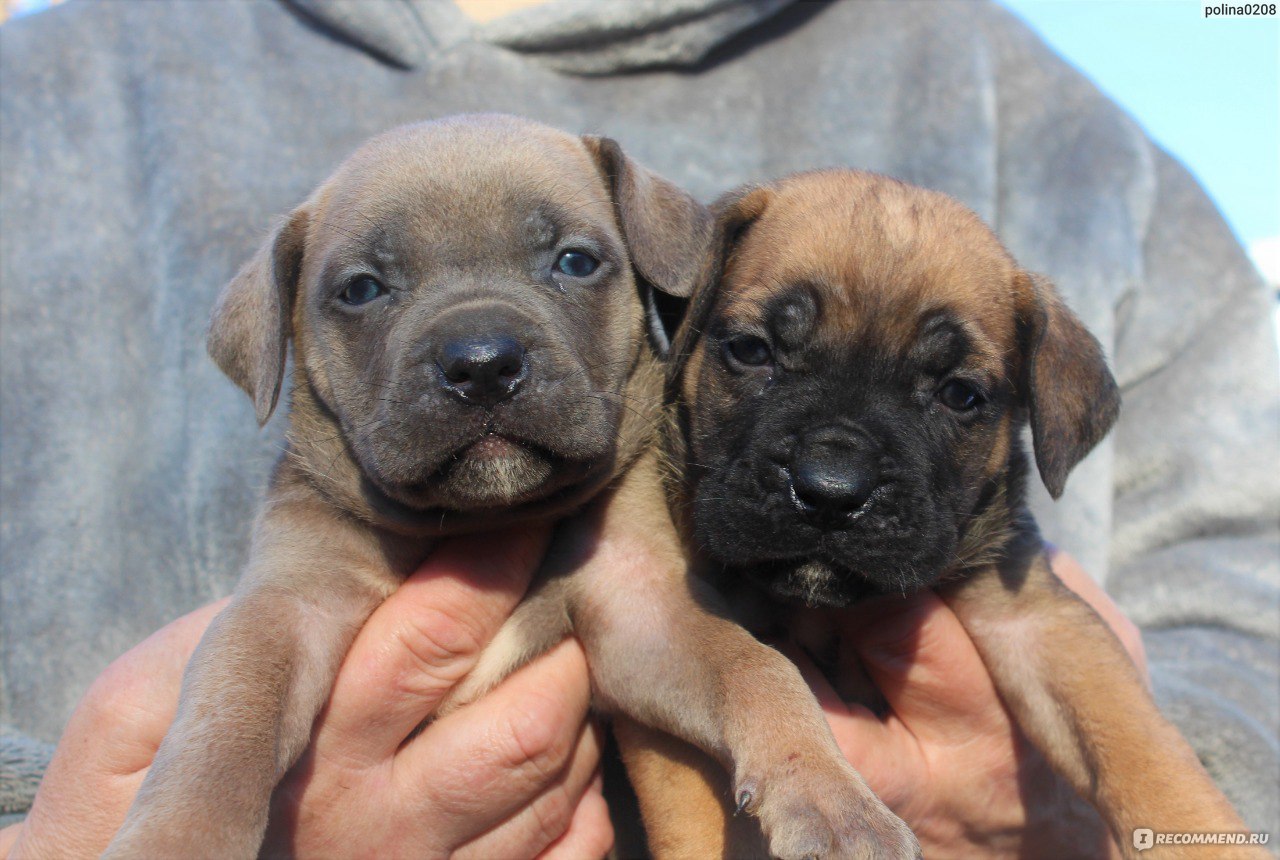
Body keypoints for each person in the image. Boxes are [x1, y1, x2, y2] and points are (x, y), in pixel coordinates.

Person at [1, 0, 1276, 856]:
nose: (486, 349)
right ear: (698, 308)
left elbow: (1246, 590)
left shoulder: (1040, 108)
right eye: (752, 348)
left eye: (573, 265)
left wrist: (1148, 824)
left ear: (650, 279)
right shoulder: (53, 84)